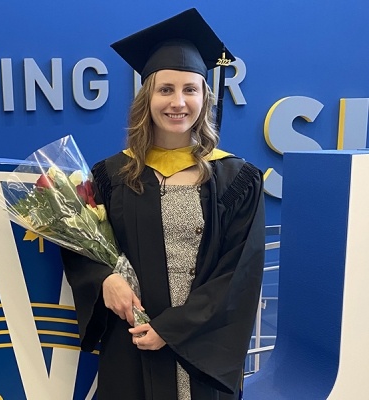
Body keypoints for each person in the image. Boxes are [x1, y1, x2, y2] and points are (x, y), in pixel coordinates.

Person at [60, 8, 265, 400]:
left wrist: (171, 330)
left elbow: (238, 273)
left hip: (201, 348)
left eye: (190, 89)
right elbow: (83, 245)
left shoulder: (236, 180)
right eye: (165, 89)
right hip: (131, 341)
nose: (178, 102)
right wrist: (104, 278)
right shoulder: (111, 175)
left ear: (205, 97)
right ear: (147, 97)